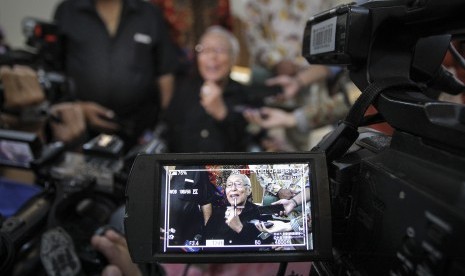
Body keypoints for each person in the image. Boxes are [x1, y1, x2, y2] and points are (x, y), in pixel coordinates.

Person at [53, 0, 177, 151]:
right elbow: (55, 69)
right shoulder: (67, 11)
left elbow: (165, 72)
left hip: (140, 134)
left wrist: (163, 125)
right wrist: (78, 108)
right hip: (81, 133)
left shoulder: (149, 14)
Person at [163, 25, 250, 153]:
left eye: (220, 50)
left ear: (233, 58)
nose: (212, 56)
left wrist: (223, 114)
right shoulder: (181, 89)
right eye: (204, 50)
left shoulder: (244, 95)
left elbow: (247, 142)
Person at [201, 173, 274, 248]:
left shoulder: (262, 213)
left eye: (238, 184)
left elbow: (265, 246)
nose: (233, 188)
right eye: (229, 185)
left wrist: (240, 229)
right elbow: (205, 244)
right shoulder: (217, 213)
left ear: (249, 190)